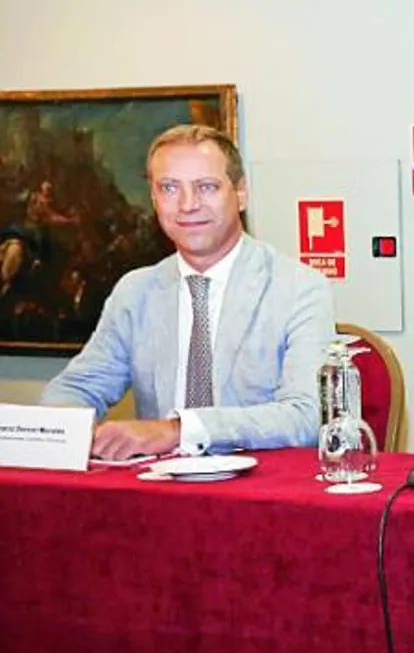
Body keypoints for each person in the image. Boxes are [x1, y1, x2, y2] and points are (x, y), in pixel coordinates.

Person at [39, 125, 335, 459]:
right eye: (169, 188)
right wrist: (64, 430)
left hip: (255, 495)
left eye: (206, 187)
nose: (188, 204)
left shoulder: (299, 289)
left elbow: (309, 417)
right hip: (154, 494)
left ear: (241, 194)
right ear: (153, 199)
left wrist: (179, 430)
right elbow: (75, 388)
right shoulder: (136, 291)